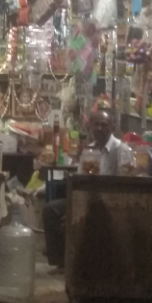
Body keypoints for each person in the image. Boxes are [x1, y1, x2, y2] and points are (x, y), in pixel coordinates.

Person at [42, 110, 121, 270]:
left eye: (104, 125)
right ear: (90, 126)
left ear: (112, 127)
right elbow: (79, 179)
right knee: (51, 210)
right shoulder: (89, 150)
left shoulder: (119, 149)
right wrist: (74, 206)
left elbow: (121, 183)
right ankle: (61, 262)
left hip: (108, 201)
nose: (99, 128)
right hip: (85, 197)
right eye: (96, 124)